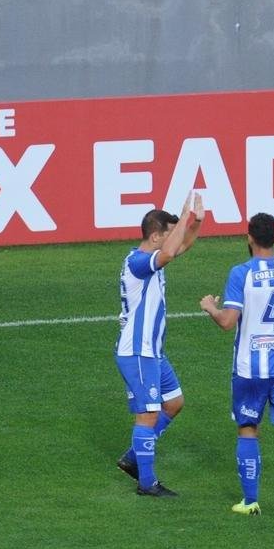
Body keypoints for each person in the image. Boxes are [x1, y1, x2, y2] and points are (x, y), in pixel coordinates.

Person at [200, 212, 274, 525]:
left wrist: (210, 306)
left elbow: (227, 323)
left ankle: (251, 502)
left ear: (249, 238)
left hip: (249, 369)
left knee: (248, 429)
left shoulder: (241, 273)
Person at [114, 193, 204, 497]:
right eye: (168, 234)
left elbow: (181, 246)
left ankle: (133, 456)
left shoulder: (152, 259)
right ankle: (147, 483)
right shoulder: (139, 262)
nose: (172, 241)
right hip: (138, 352)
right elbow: (167, 254)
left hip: (152, 352)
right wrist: (182, 212)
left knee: (174, 403)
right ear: (155, 236)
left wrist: (196, 222)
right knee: (148, 415)